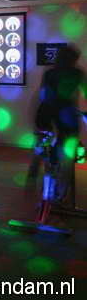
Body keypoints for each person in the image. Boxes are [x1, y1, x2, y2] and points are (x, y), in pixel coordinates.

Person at [34, 44, 86, 205]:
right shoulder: (77, 73)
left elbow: (43, 95)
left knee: (51, 156)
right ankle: (60, 194)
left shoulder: (50, 73)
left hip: (47, 115)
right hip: (67, 116)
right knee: (67, 156)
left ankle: (48, 192)